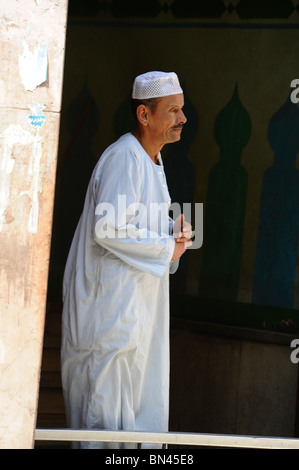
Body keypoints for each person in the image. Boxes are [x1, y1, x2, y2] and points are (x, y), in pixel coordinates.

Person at [61, 71, 192, 449]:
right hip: (109, 318)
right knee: (103, 419)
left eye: (182, 110)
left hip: (134, 315)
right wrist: (168, 248)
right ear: (144, 115)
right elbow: (109, 227)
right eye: (173, 111)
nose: (182, 119)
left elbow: (138, 220)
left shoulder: (152, 159)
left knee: (134, 416)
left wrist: (173, 230)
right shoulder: (123, 157)